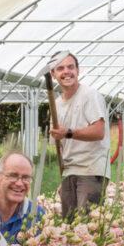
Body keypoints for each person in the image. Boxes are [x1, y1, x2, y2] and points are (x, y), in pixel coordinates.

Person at [47, 51, 110, 219]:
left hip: (90, 170)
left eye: (70, 67)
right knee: (69, 226)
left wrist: (68, 132)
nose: (66, 72)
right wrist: (65, 178)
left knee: (87, 225)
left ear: (78, 70)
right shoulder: (57, 105)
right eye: (60, 68)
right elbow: (60, 144)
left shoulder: (90, 96)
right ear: (53, 74)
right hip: (70, 171)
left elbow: (98, 131)